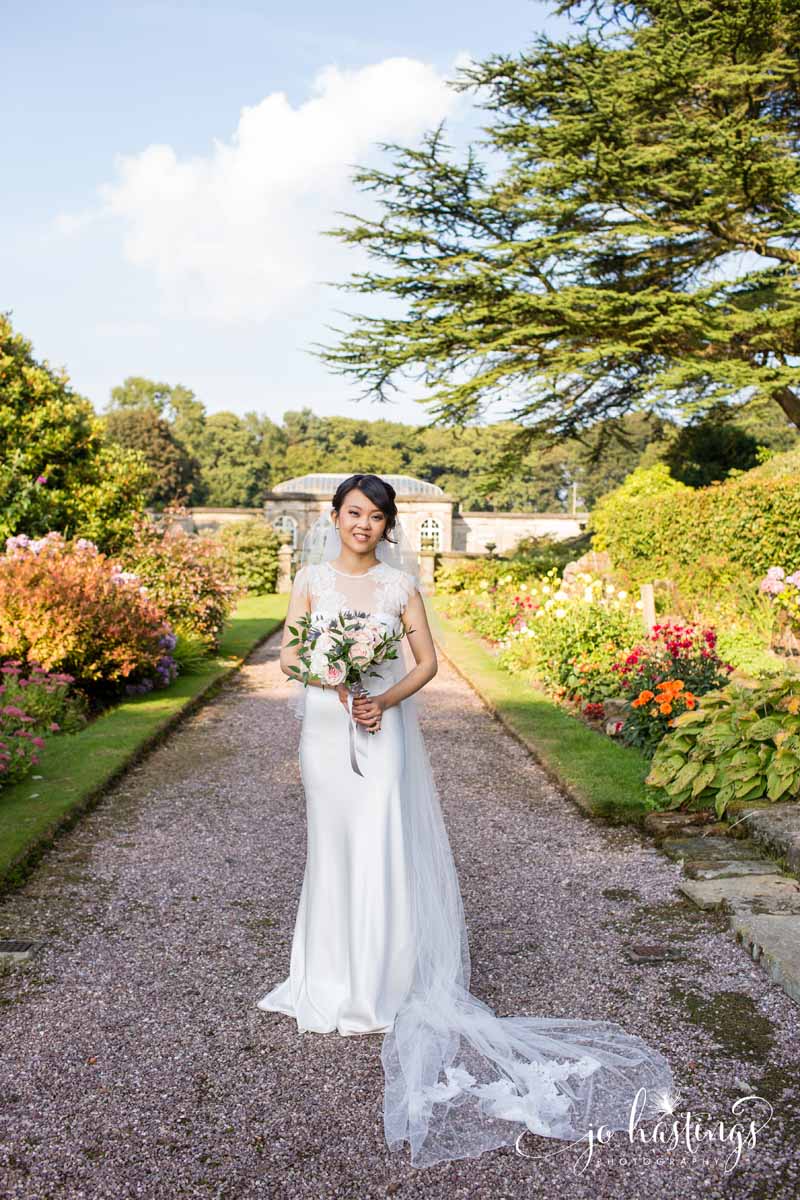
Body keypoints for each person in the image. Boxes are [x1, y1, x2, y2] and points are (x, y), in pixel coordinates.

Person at [256, 473, 675, 1168]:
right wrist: (330, 678)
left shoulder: (400, 589)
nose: (364, 524)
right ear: (335, 516)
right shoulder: (309, 579)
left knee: (383, 842)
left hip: (382, 732)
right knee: (333, 848)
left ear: (388, 527)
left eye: (377, 516)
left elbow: (428, 662)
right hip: (326, 735)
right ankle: (328, 982)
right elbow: (290, 656)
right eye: (354, 512)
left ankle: (386, 988)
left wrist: (382, 697)